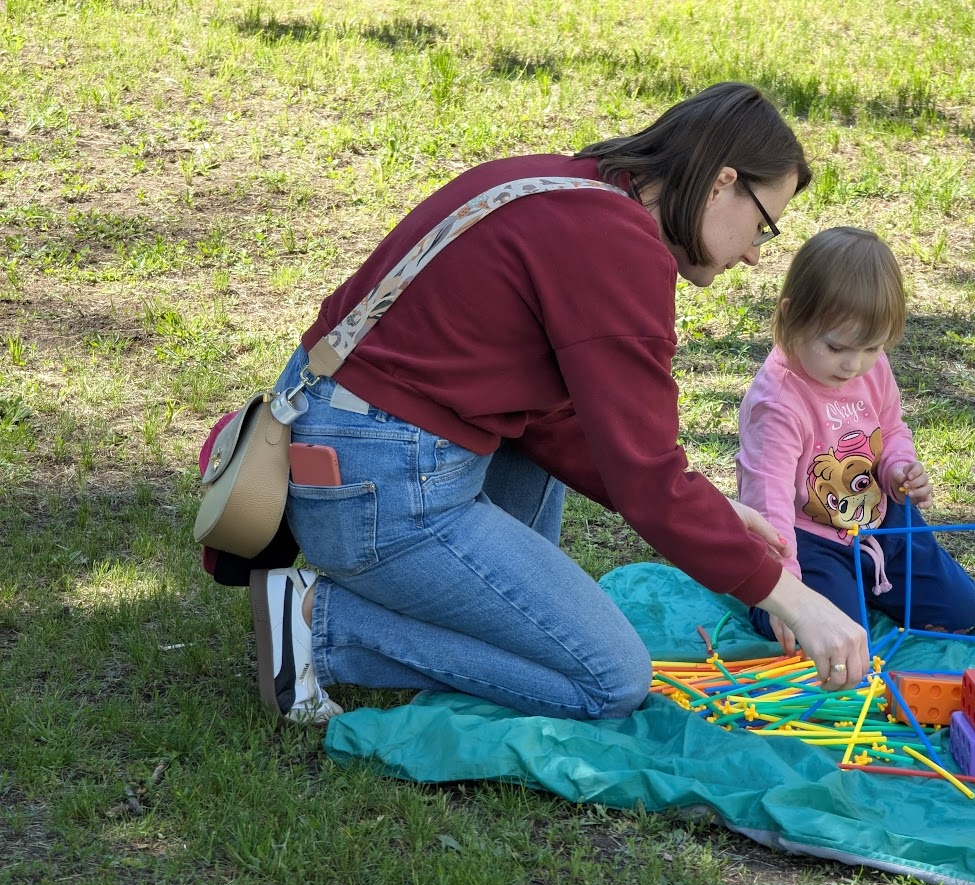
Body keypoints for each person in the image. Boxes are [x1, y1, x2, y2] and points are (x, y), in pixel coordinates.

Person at [249, 83, 871, 726]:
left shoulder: (577, 188)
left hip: (354, 450)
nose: (752, 253)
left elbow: (569, 423)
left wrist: (711, 512)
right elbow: (648, 475)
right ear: (721, 183)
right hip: (380, 484)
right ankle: (321, 627)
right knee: (609, 679)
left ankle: (422, 604)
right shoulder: (620, 247)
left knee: (550, 637)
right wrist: (798, 602)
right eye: (763, 225)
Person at [736, 226, 975, 651]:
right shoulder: (778, 402)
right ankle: (770, 602)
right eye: (836, 348)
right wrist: (783, 590)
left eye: (872, 347)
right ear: (792, 316)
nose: (854, 365)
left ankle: (868, 582)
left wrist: (898, 469)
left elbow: (890, 428)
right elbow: (769, 500)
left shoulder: (872, 366)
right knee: (834, 638)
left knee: (962, 611)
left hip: (881, 523)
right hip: (806, 539)